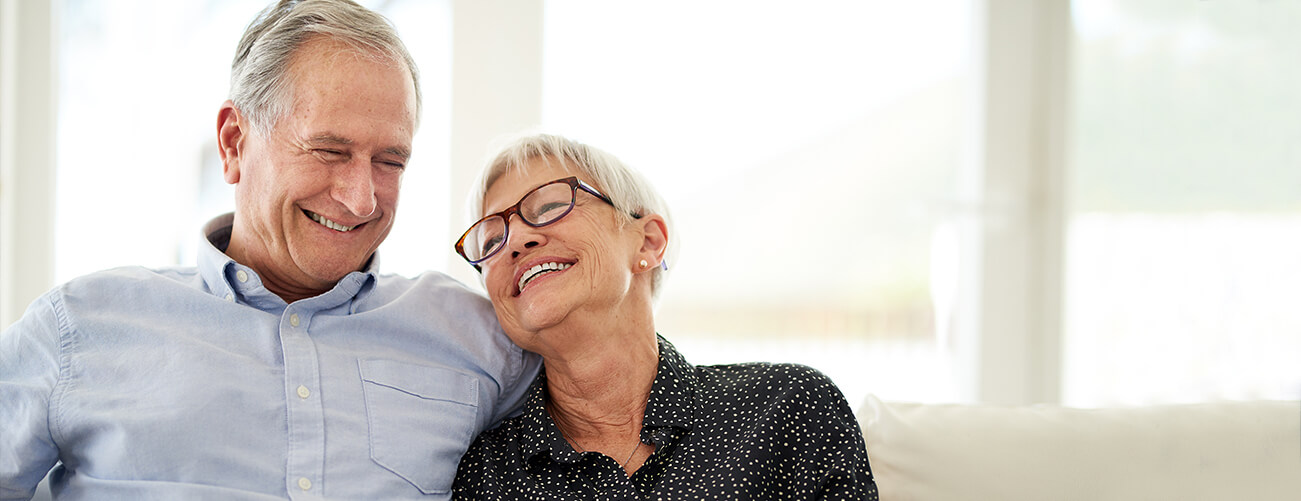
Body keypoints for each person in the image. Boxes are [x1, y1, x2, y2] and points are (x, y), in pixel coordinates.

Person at [0, 1, 539, 499]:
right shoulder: (77, 328)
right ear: (234, 143)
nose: (360, 199)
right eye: (329, 150)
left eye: (390, 162)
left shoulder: (480, 339)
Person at [450, 133, 878, 499]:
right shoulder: (482, 475)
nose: (518, 239)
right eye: (492, 239)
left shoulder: (789, 407)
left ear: (648, 243)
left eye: (549, 207)